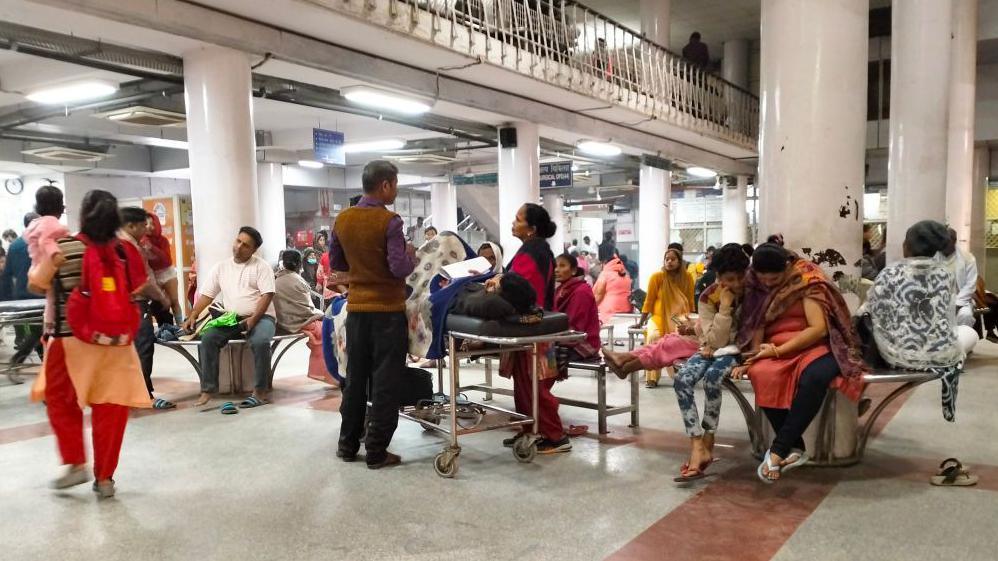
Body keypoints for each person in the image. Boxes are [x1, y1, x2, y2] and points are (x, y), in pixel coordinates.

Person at [30, 189, 153, 499]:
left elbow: (37, 283)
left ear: (82, 215)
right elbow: (140, 286)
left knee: (61, 401)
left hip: (70, 341)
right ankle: (105, 478)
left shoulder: (64, 247)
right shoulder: (126, 251)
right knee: (110, 409)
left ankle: (75, 462)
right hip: (116, 343)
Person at [734, 243, 866, 483]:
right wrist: (752, 357)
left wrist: (777, 351)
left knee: (814, 378)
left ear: (786, 267)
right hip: (772, 346)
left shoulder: (806, 279)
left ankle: (779, 449)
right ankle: (795, 447)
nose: (768, 284)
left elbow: (818, 329)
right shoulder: (755, 281)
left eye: (774, 279)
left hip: (815, 345)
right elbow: (756, 322)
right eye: (764, 279)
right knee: (761, 373)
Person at [330, 160, 416, 469]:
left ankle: (347, 445)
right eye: (394, 184)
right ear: (385, 185)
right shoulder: (389, 221)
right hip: (387, 313)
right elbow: (398, 268)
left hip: (356, 311)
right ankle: (377, 451)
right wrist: (410, 256)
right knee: (384, 382)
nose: (394, 189)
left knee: (355, 379)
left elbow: (337, 263)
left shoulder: (343, 219)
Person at [866, 221, 976, 422]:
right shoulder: (945, 274)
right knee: (970, 332)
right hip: (940, 355)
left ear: (907, 245)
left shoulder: (889, 273)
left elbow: (870, 310)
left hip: (897, 354)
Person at [488, 203, 570, 454]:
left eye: (518, 219)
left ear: (532, 229)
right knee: (524, 383)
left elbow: (524, 289)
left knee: (534, 384)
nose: (513, 223)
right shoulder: (532, 248)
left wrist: (499, 284)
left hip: (534, 328)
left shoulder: (535, 250)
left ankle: (555, 436)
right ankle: (530, 430)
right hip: (528, 328)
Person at [670, 244, 750, 480]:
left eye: (739, 277)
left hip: (739, 352)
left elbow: (739, 337)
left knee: (713, 380)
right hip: (711, 348)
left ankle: (709, 437)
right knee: (682, 380)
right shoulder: (708, 296)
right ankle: (697, 445)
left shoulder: (755, 293)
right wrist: (724, 307)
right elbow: (714, 338)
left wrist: (724, 314)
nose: (735, 284)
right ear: (717, 277)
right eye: (728, 279)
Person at [182, 226, 277, 408]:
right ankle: (208, 389)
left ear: (254, 250)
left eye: (246, 245)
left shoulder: (261, 267)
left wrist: (253, 320)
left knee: (261, 342)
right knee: (208, 338)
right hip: (232, 318)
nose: (239, 247)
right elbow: (207, 296)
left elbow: (267, 296)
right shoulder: (221, 267)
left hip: (262, 317)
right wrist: (193, 315)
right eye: (238, 241)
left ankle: (260, 391)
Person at [119, 208, 176, 409]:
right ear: (131, 226)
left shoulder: (118, 244)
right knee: (143, 346)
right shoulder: (128, 246)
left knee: (130, 350)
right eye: (144, 224)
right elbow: (142, 282)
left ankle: (132, 392)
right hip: (135, 303)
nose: (148, 228)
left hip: (122, 304)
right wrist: (162, 297)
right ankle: (144, 395)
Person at [633, 247, 695, 388]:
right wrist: (641, 322)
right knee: (654, 336)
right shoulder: (657, 277)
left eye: (673, 259)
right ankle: (652, 378)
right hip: (658, 317)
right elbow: (648, 301)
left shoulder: (687, 278)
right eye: (667, 259)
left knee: (681, 339)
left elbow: (690, 302)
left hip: (678, 318)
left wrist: (691, 323)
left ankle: (682, 375)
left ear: (680, 262)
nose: (669, 262)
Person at [274, 249, 336, 386]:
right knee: (327, 330)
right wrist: (320, 314)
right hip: (300, 321)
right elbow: (306, 309)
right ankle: (329, 373)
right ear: (299, 264)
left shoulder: (276, 279)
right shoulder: (297, 280)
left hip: (283, 321)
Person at [3, 213, 43, 365]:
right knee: (38, 330)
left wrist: (6, 298)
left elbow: (8, 273)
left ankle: (26, 359)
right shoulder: (40, 243)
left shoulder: (14, 246)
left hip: (21, 295)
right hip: (37, 295)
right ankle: (19, 361)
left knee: (36, 329)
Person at [553, 253, 600, 367]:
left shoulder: (581, 291)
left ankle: (536, 385)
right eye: (555, 266)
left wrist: (551, 338)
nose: (556, 270)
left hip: (582, 343)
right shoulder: (562, 289)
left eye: (562, 266)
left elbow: (575, 326)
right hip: (567, 337)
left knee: (541, 356)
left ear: (574, 270)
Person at [24, 186, 69, 294]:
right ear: (61, 207)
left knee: (51, 298)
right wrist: (55, 253)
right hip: (46, 265)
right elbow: (46, 240)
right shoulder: (50, 222)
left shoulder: (37, 223)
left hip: (36, 266)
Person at [142, 212, 182, 323]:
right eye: (146, 224)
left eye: (152, 223)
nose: (149, 226)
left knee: (174, 301)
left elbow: (166, 260)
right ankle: (164, 327)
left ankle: (180, 326)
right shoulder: (141, 240)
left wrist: (151, 247)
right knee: (159, 304)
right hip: (153, 275)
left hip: (167, 272)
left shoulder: (163, 240)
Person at [937, 228, 979, 328]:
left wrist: (957, 304)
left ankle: (961, 343)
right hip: (938, 300)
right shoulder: (933, 257)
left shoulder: (968, 258)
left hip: (961, 300)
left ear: (954, 241)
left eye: (946, 241)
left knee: (965, 315)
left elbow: (970, 285)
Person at [594, 254, 633, 324]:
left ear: (605, 263)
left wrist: (590, 307)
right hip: (628, 308)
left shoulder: (605, 274)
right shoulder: (626, 274)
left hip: (610, 309)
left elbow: (598, 295)